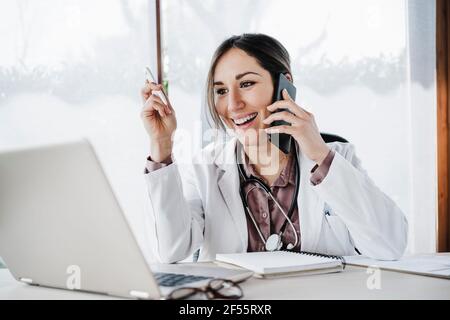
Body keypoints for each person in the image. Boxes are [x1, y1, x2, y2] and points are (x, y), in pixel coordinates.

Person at [140, 33, 408, 263]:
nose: (232, 105)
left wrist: (318, 153)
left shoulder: (336, 158)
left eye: (246, 84)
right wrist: (161, 145)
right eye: (221, 91)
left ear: (284, 84)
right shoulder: (204, 169)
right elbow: (169, 251)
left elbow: (390, 245)